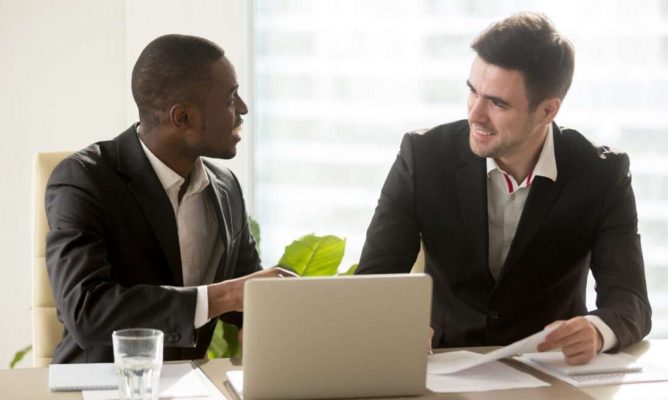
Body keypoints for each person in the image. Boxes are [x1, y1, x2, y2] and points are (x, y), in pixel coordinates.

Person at [356, 12, 651, 365]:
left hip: (549, 371)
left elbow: (630, 301)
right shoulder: (422, 157)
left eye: (497, 102)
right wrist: (395, 324)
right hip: (443, 365)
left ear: (547, 111)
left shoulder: (601, 175)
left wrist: (597, 330)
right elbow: (373, 280)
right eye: (472, 91)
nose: (475, 114)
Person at [45, 34, 293, 363]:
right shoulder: (84, 180)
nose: (243, 109)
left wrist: (297, 309)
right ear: (183, 118)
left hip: (191, 385)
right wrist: (223, 296)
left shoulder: (225, 186)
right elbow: (87, 310)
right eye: (231, 98)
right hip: (98, 386)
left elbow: (246, 301)